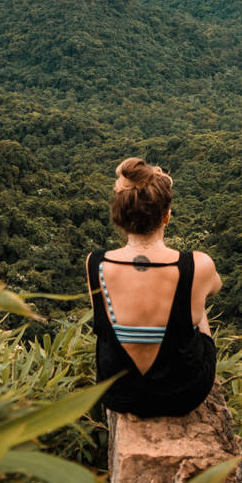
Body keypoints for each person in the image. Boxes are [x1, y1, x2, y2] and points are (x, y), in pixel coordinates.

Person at [85, 157, 222, 418]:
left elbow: (103, 327)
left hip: (118, 393)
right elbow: (216, 286)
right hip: (183, 393)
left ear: (120, 217)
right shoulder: (197, 264)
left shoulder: (96, 263)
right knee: (197, 301)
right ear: (166, 216)